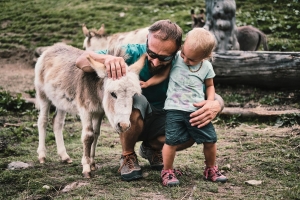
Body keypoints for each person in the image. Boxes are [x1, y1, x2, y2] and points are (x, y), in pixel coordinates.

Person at [76, 20, 224, 182]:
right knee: (135, 98)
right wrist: (108, 59)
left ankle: (151, 148)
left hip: (165, 119)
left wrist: (216, 105)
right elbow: (81, 60)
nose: (155, 62)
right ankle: (128, 155)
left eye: (164, 57)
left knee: (193, 127)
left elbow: (209, 92)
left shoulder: (185, 62)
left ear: (177, 50)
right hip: (134, 117)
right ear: (147, 40)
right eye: (152, 54)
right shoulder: (131, 53)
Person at [141, 28, 227, 186]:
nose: (186, 60)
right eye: (184, 54)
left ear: (205, 57)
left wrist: (210, 101)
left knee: (210, 140)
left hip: (197, 111)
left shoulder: (207, 67)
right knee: (171, 141)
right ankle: (167, 171)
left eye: (192, 59)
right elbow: (162, 75)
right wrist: (147, 83)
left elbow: (210, 85)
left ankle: (210, 168)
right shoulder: (175, 60)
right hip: (174, 110)